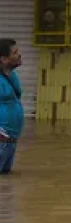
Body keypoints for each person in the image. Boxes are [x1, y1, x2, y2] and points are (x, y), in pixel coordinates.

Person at [0, 39, 24, 175]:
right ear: (3, 59)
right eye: (15, 53)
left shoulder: (12, 76)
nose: (19, 55)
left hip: (11, 142)